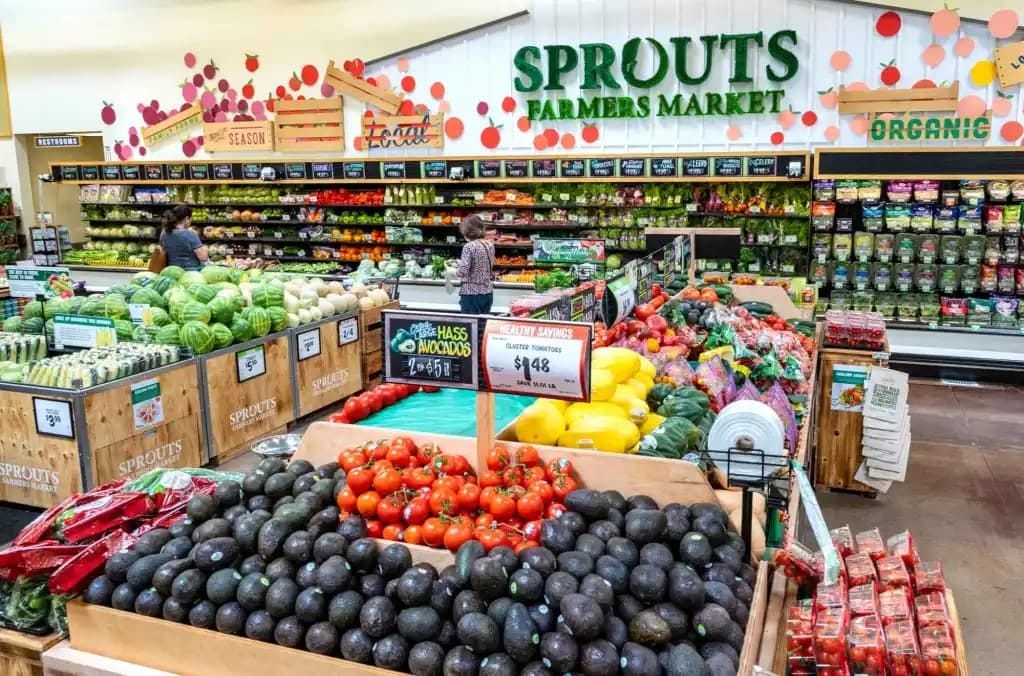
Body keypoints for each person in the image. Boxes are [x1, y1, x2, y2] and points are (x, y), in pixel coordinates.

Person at [454, 214, 495, 314]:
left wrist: (452, 271)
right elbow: (483, 264)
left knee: (470, 325)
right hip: (487, 292)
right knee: (482, 325)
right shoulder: (489, 245)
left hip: (471, 293)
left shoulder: (468, 247)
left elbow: (463, 271)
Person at [159, 204, 208, 270]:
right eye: (191, 219)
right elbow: (203, 258)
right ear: (187, 218)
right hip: (191, 272)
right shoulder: (191, 234)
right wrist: (205, 248)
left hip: (171, 270)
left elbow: (163, 251)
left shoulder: (164, 233)